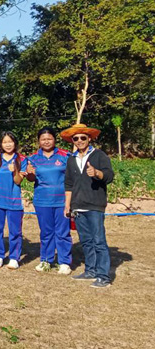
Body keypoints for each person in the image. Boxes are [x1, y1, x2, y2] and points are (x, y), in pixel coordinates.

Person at [62, 123, 115, 288]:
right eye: (75, 138)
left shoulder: (99, 155)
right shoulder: (71, 159)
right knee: (86, 241)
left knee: (99, 241)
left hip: (94, 205)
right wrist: (67, 206)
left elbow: (109, 175)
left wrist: (97, 173)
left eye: (82, 138)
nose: (79, 141)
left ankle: (103, 276)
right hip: (78, 206)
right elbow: (69, 184)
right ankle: (90, 270)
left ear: (89, 138)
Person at [23, 127, 72, 274]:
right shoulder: (32, 158)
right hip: (42, 201)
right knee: (46, 232)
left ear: (54, 139)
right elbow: (31, 178)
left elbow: (72, 177)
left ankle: (64, 262)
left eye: (49, 138)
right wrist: (29, 174)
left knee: (63, 232)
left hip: (62, 201)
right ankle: (46, 260)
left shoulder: (65, 156)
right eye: (43, 139)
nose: (46, 141)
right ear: (38, 141)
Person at [0, 132, 27, 269]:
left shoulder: (21, 159)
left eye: (10, 142)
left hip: (13, 201)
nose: (8, 145)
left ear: (15, 143)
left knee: (15, 231)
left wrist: (14, 171)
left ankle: (14, 257)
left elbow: (18, 181)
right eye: (5, 142)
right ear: (0, 144)